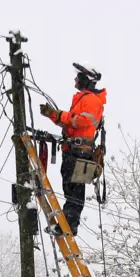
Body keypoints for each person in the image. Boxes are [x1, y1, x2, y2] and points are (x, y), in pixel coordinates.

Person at [39, 62, 107, 236]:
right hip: (72, 150)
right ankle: (67, 223)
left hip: (80, 151)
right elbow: (71, 124)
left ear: (85, 79)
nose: (75, 79)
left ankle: (69, 224)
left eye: (78, 77)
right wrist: (53, 115)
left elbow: (81, 121)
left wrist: (60, 114)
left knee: (75, 190)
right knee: (70, 187)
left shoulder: (91, 100)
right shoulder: (82, 99)